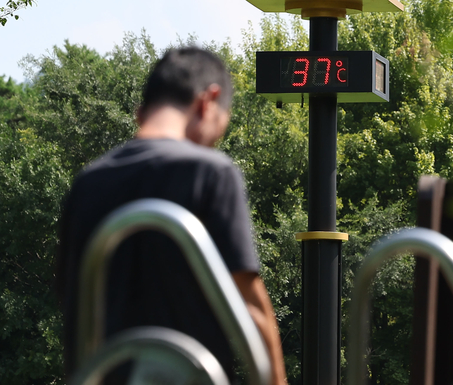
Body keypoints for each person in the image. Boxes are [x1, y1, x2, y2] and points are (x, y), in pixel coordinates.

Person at [56, 47, 287, 385]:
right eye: (220, 128)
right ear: (208, 101)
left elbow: (71, 296)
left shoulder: (87, 182)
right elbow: (250, 306)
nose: (212, 143)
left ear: (141, 113)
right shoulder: (210, 172)